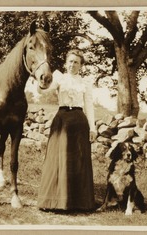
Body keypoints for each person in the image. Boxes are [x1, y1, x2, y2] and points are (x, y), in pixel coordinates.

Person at [37, 49, 97, 211]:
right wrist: (42, 83)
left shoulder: (85, 83)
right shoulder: (59, 77)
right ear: (66, 63)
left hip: (79, 121)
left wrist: (93, 128)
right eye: (70, 61)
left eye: (76, 62)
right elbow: (46, 90)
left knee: (77, 161)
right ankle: (56, 201)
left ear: (81, 65)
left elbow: (89, 106)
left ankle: (79, 203)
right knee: (59, 160)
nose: (73, 65)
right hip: (62, 120)